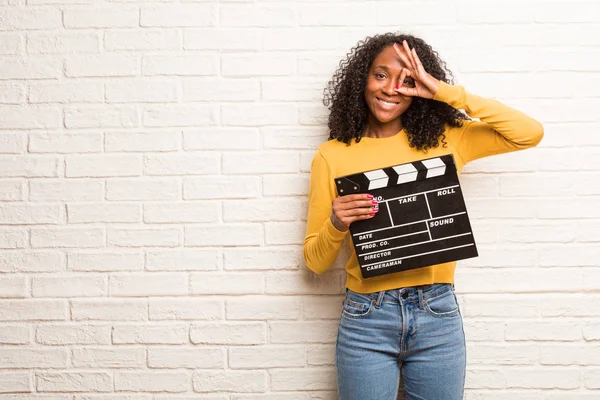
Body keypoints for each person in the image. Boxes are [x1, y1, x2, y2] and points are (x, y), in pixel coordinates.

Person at [303, 33, 543, 400]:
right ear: (361, 80)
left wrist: (444, 91)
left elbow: (529, 133)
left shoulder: (448, 140)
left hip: (437, 312)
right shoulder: (331, 156)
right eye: (380, 75)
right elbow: (315, 263)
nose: (391, 89)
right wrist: (337, 223)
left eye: (406, 80)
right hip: (367, 317)